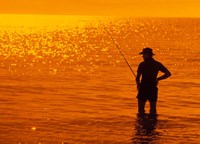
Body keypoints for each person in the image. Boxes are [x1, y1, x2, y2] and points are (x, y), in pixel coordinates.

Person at [136, 47, 171, 117]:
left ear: (147, 55)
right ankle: (153, 123)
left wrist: (138, 85)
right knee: (153, 109)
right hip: (153, 89)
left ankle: (141, 124)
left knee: (141, 109)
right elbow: (168, 74)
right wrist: (158, 79)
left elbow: (137, 78)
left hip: (143, 88)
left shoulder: (142, 64)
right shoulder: (157, 64)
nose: (142, 56)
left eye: (143, 54)